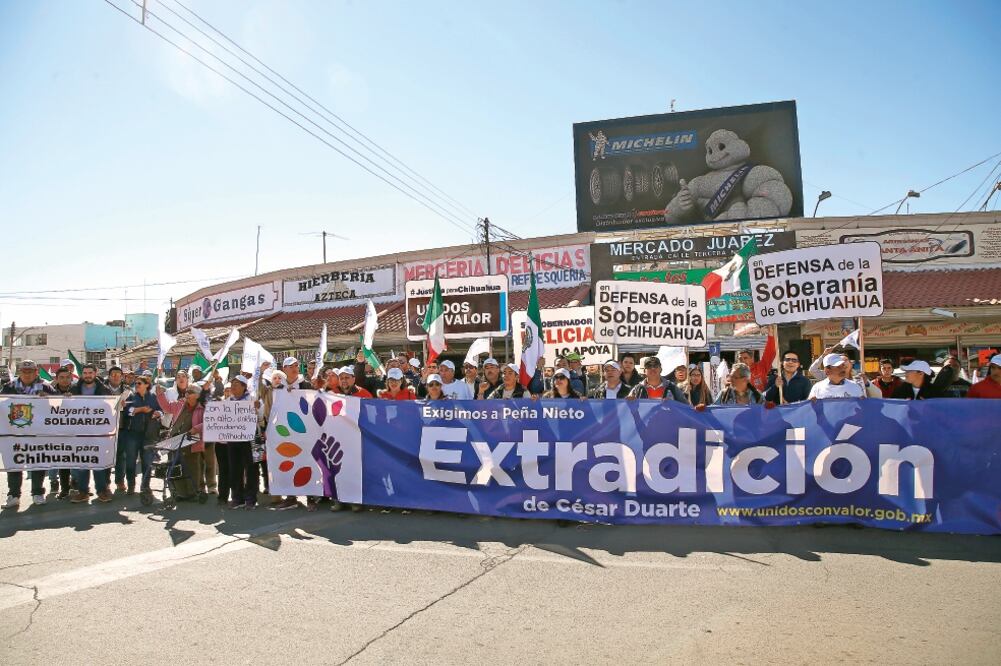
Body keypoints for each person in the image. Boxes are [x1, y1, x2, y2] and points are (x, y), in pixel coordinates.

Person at [2, 360, 55, 508]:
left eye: (30, 371)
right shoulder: (9, 387)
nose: (27, 374)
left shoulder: (46, 387)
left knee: (38, 463)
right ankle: (13, 495)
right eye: (24, 371)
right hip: (14, 434)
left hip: (38, 434)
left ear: (36, 372)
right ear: (19, 372)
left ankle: (37, 493)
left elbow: (59, 408)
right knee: (14, 464)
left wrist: (49, 399)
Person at [69, 364, 113, 503]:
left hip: (98, 433)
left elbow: (111, 408)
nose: (87, 375)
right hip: (80, 432)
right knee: (82, 463)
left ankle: (101, 491)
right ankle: (83, 492)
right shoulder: (74, 389)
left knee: (97, 462)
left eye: (90, 372)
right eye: (85, 373)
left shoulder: (104, 390)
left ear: (95, 373)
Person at [157, 384, 206, 501]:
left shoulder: (204, 407)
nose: (187, 394)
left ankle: (193, 492)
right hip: (175, 441)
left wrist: (197, 428)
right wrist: (160, 394)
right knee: (176, 466)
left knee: (192, 467)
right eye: (187, 392)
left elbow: (210, 422)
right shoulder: (180, 404)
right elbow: (167, 407)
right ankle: (180, 493)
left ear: (198, 396)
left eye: (191, 392)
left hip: (192, 442)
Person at [121, 374, 163, 499]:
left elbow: (161, 410)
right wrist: (139, 410)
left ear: (147, 385)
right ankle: (131, 485)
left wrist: (157, 413)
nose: (136, 385)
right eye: (135, 383)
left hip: (149, 434)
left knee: (147, 462)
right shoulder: (132, 396)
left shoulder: (154, 397)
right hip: (133, 433)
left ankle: (145, 486)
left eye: (139, 383)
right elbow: (127, 411)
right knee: (130, 461)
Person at [226, 375, 258, 509]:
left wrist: (256, 409)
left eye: (236, 384)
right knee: (235, 468)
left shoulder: (252, 399)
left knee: (251, 469)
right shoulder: (228, 401)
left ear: (244, 387)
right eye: (232, 384)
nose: (233, 387)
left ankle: (250, 498)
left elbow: (260, 417)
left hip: (249, 439)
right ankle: (237, 497)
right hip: (233, 440)